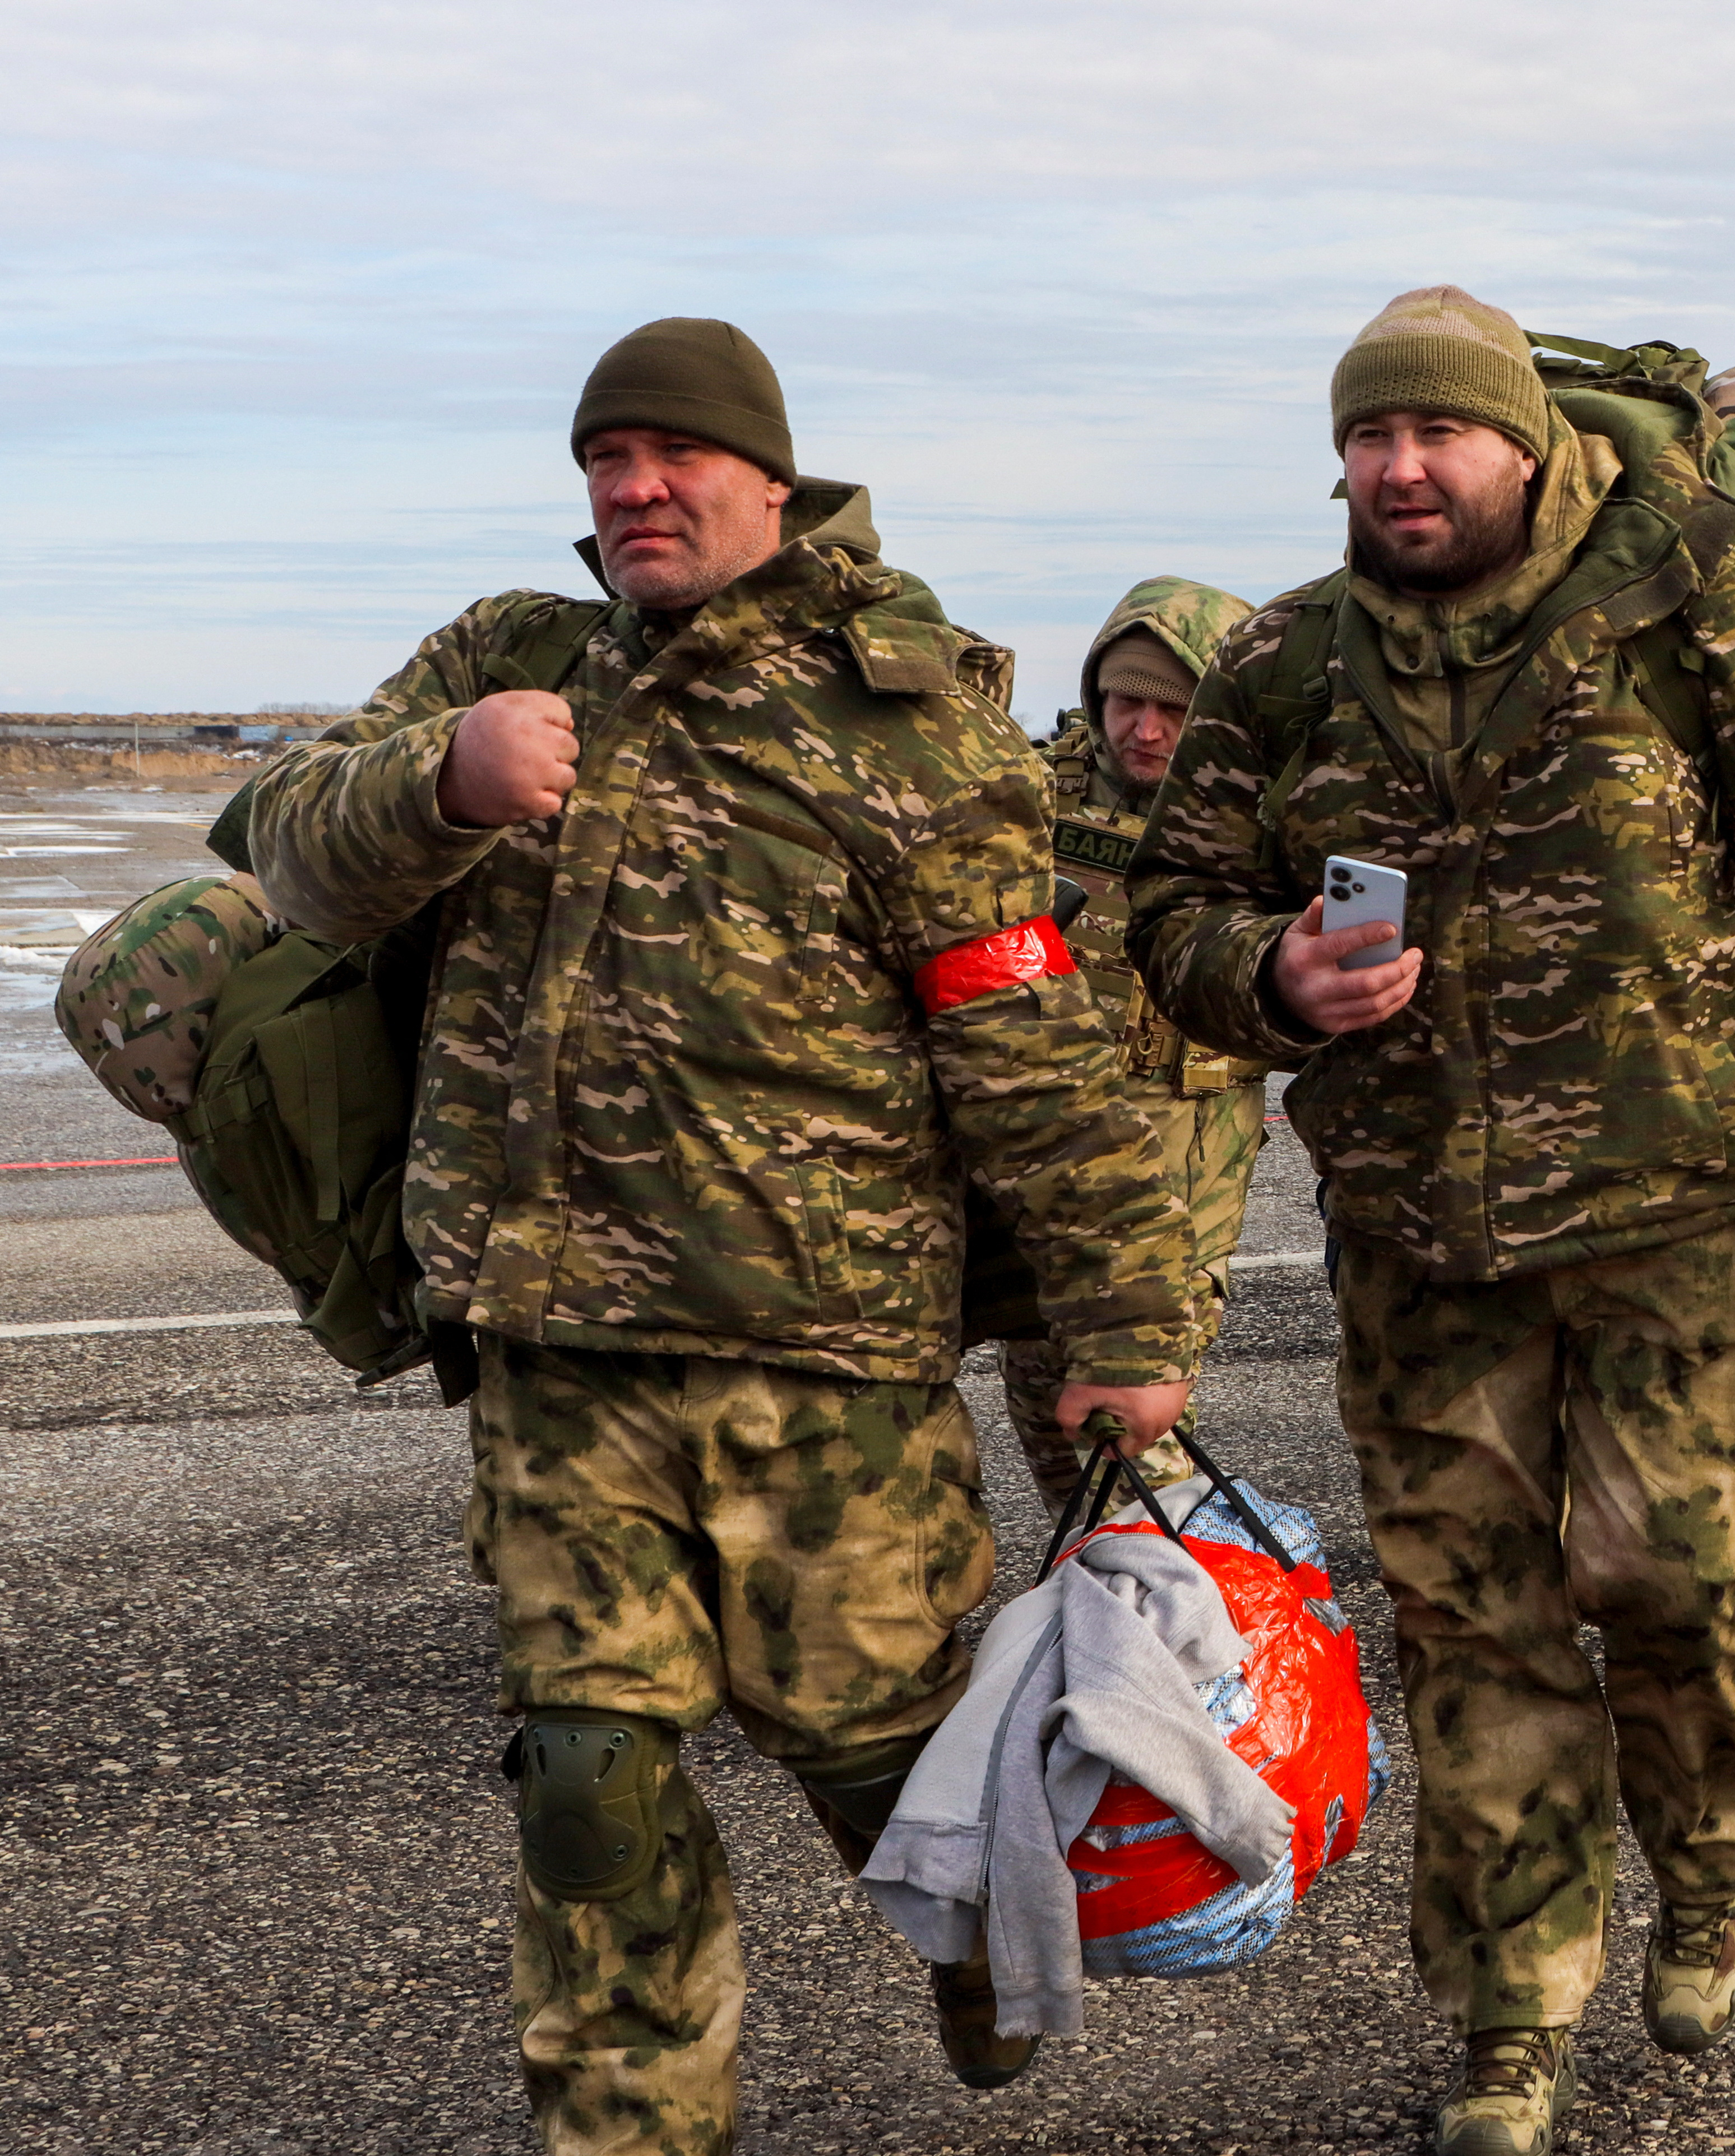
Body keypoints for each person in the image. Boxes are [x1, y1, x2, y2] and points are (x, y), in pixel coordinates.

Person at [234, 318, 1199, 2148]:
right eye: (608, 457)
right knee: (590, 1777)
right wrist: (438, 781)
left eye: (676, 453)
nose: (637, 486)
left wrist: (1124, 1319)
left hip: (824, 1364)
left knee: (886, 1757)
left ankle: (987, 1953)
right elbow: (282, 852)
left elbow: (1030, 1039)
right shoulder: (505, 661)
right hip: (554, 1355)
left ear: (771, 474)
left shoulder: (899, 711)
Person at [1126, 286, 1735, 2154]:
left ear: (1524, 444)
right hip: (1424, 1244)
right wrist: (1270, 974)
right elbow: (1168, 915)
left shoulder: (1694, 613)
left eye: (1438, 434)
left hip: (1688, 1221)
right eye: (1369, 437)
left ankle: (1709, 1870)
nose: (1401, 469)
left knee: (1684, 1593)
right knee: (1471, 1632)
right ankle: (1514, 2011)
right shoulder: (1285, 664)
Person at [998, 576, 1264, 1510]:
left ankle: (1172, 1612)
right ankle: (1105, 1584)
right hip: (1052, 1118)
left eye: (1172, 709)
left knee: (1128, 1399)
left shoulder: (1263, 808)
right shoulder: (1030, 791)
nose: (1143, 731)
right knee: (1039, 1382)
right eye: (1125, 703)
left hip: (1183, 1127)